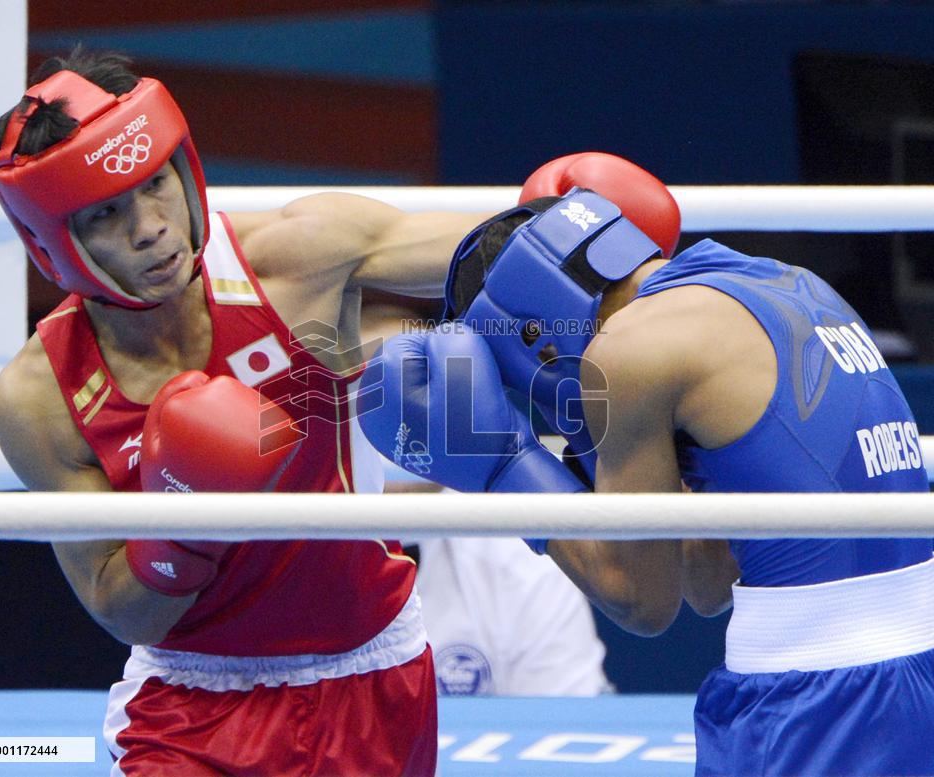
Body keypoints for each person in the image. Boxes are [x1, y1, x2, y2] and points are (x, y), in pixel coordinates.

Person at [0, 48, 488, 777]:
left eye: (155, 185)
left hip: (373, 675)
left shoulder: (294, 257)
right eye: (107, 213)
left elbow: (503, 253)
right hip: (189, 705)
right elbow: (120, 609)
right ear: (54, 240)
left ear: (184, 170)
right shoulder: (41, 396)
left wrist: (586, 227)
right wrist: (188, 523)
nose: (150, 228)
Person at [360, 152, 934, 776]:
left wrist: (503, 464)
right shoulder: (783, 281)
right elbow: (709, 584)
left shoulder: (628, 352)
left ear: (532, 336)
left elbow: (643, 603)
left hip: (819, 694)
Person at [361, 301, 612, 697]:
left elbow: (566, 715)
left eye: (419, 384)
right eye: (370, 396)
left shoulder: (517, 550)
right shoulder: (276, 548)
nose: (401, 420)